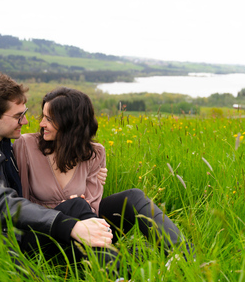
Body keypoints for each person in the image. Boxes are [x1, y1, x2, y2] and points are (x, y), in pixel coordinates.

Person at [0, 73, 114, 265]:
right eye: (18, 116)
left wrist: (91, 170)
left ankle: (115, 268)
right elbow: (4, 204)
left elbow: (55, 152)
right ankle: (116, 269)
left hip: (20, 235)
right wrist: (68, 226)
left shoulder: (1, 144)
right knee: (76, 218)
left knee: (78, 206)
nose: (25, 121)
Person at [13, 87, 193, 254]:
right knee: (77, 205)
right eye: (43, 116)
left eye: (49, 119)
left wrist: (82, 206)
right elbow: (21, 203)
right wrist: (66, 209)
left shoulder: (94, 153)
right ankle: (115, 269)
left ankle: (182, 254)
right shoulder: (26, 145)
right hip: (45, 232)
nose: (42, 123)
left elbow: (93, 208)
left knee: (133, 197)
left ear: (70, 123)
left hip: (86, 228)